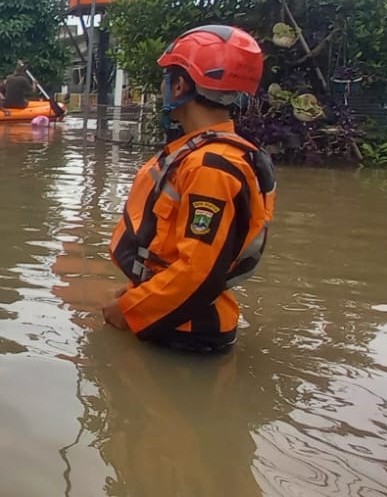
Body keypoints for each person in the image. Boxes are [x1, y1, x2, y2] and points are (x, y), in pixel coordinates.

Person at [102, 25, 277, 354]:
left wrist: (131, 309)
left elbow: (197, 272)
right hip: (175, 320)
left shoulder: (209, 167)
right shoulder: (204, 155)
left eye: (167, 78)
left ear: (179, 85)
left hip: (185, 335)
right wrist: (136, 293)